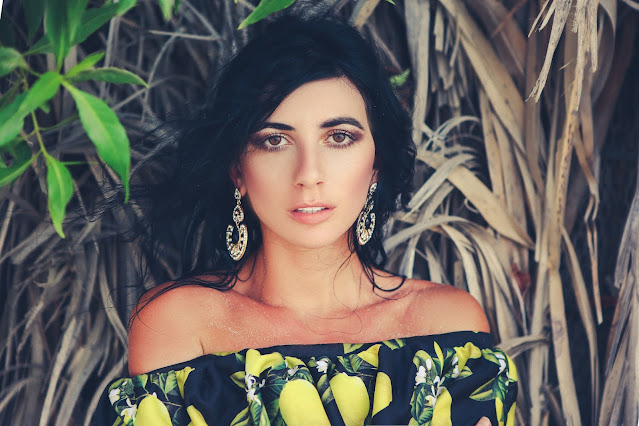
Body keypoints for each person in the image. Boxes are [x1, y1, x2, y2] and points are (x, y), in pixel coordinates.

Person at [97, 14, 517, 426]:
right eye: (275, 140)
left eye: (339, 137)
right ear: (237, 170)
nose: (308, 174)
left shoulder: (448, 327)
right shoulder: (181, 324)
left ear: (376, 163)